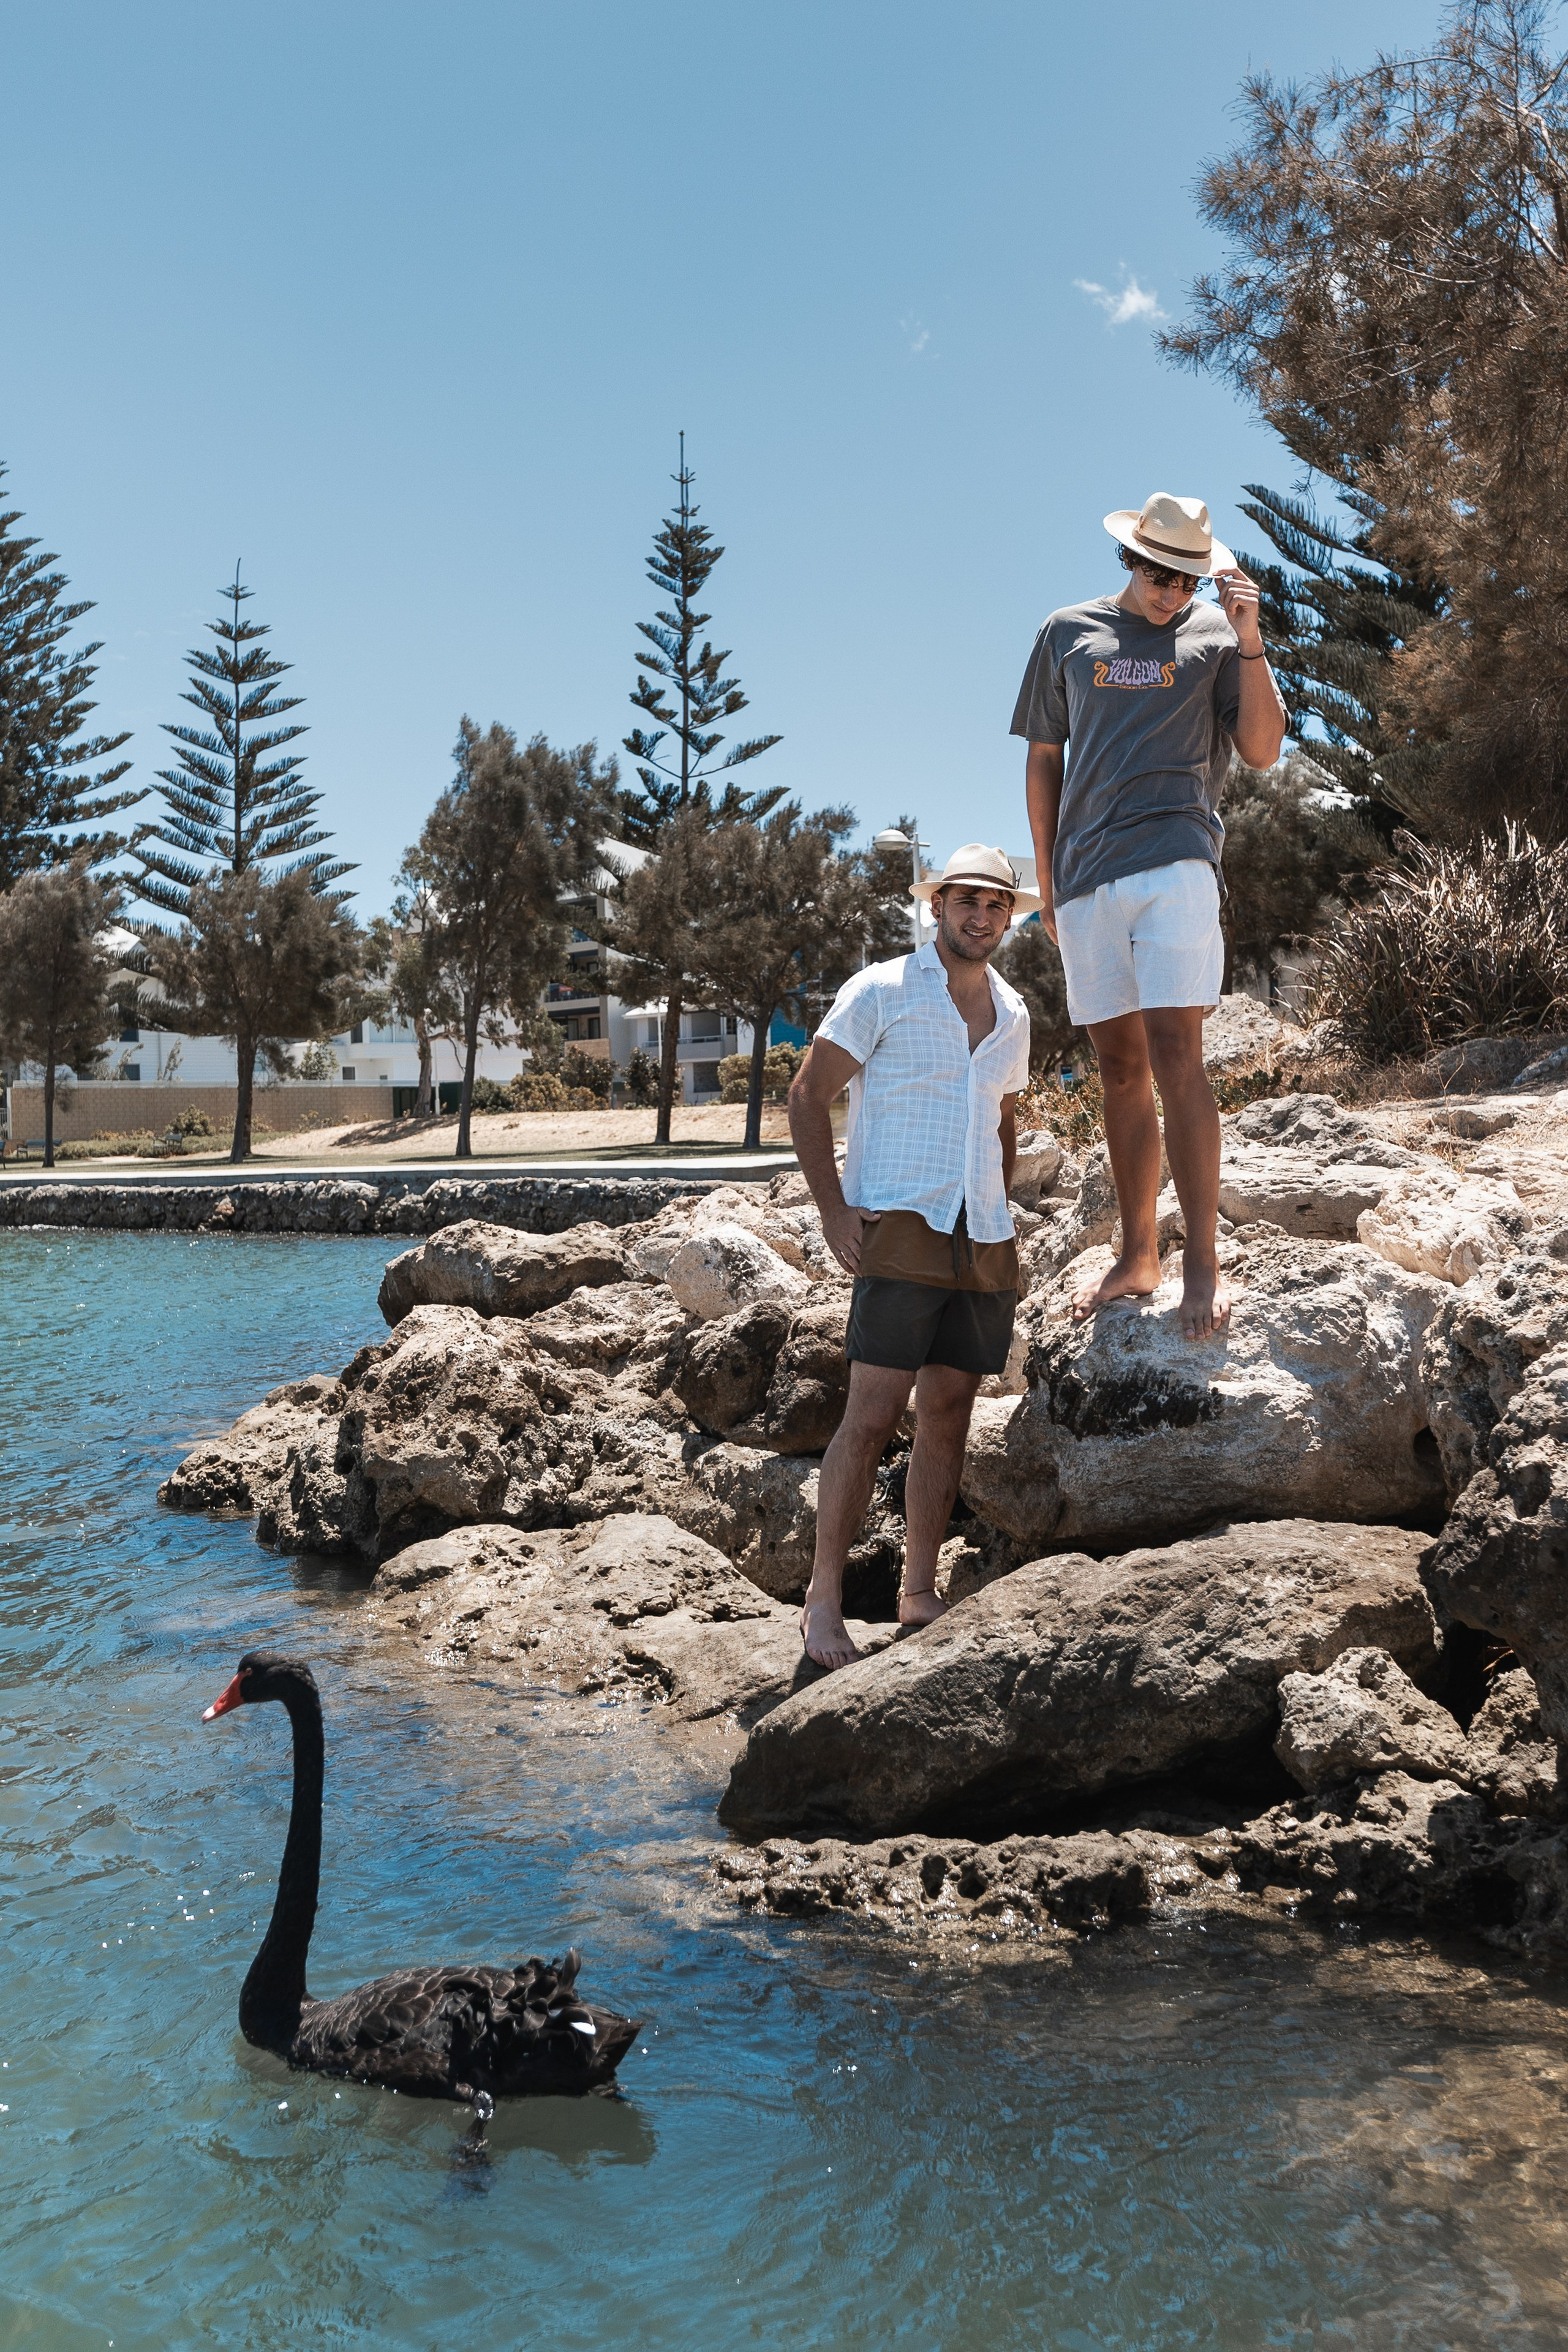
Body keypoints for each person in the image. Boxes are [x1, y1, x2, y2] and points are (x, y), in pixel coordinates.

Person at [1012, 491, 1287, 1341]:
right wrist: (1051, 885)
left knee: (1178, 1056)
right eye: (1160, 573)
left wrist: (1249, 639)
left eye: (1188, 577)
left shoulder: (1214, 638)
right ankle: (1138, 1255)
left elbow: (1263, 750)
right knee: (1120, 1070)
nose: (1173, 590)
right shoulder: (1067, 633)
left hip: (1177, 861)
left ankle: (1201, 1258)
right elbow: (1044, 763)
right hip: (1089, 877)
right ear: (1131, 561)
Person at [787, 845, 1033, 1671]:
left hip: (983, 1236)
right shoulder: (882, 991)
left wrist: (1002, 1205)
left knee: (952, 1409)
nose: (981, 916)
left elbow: (1000, 1116)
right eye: (966, 901)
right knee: (872, 1414)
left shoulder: (1014, 1013)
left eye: (996, 905)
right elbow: (807, 1095)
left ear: (1009, 915)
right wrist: (832, 1211)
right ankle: (822, 1602)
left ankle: (918, 1591)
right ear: (938, 907)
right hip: (901, 1225)